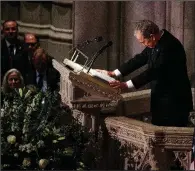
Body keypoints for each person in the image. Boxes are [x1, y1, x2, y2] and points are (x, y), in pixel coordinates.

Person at [97, 20, 193, 127]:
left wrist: (126, 85)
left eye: (143, 42)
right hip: (161, 99)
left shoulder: (169, 46)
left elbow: (154, 71)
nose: (143, 45)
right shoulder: (156, 41)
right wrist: (114, 73)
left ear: (152, 36)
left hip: (174, 102)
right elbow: (140, 59)